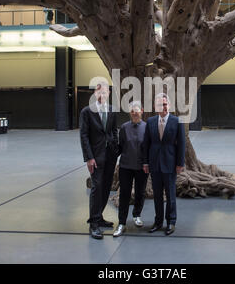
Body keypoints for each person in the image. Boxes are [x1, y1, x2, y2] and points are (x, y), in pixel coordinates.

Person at [79, 82, 119, 240]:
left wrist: (115, 149)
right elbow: (84, 136)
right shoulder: (87, 111)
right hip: (95, 157)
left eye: (105, 92)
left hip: (110, 156)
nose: (102, 94)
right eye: (99, 92)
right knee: (96, 188)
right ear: (95, 93)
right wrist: (89, 158)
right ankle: (93, 224)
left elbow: (114, 131)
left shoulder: (112, 110)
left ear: (108, 93)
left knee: (106, 187)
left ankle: (99, 217)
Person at [143, 93, 185, 236]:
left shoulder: (177, 121)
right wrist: (145, 162)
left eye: (166, 104)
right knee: (157, 196)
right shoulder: (150, 121)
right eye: (161, 105)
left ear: (170, 105)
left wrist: (180, 163)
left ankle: (171, 222)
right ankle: (158, 221)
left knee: (171, 195)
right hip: (154, 164)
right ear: (156, 107)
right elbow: (146, 144)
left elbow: (181, 144)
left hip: (170, 163)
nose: (164, 107)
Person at [113, 101, 148, 237]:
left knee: (140, 192)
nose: (134, 113)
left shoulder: (147, 127)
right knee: (124, 194)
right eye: (132, 111)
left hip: (141, 167)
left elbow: (148, 148)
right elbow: (120, 147)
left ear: (142, 111)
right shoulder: (124, 127)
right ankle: (121, 222)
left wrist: (147, 163)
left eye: (137, 110)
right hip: (125, 167)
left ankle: (137, 215)